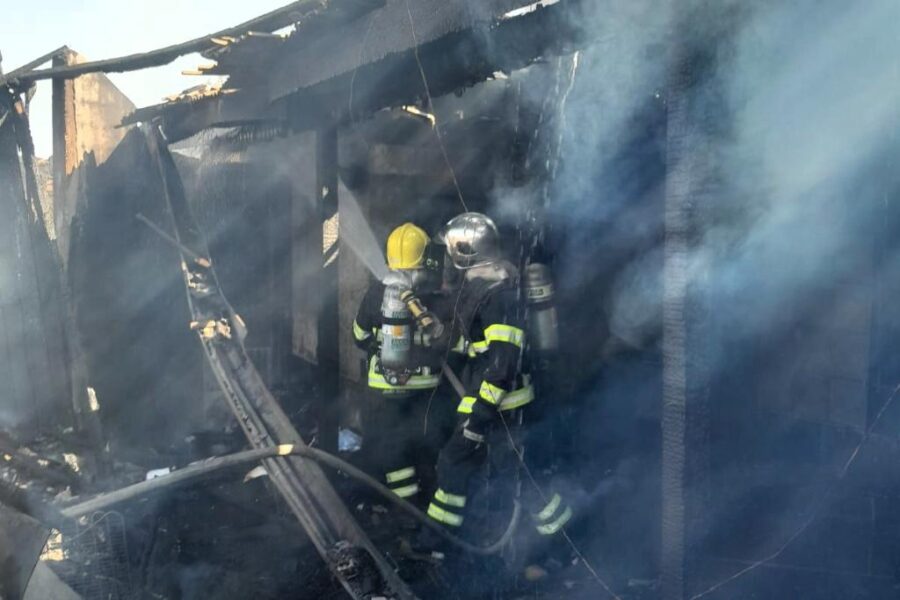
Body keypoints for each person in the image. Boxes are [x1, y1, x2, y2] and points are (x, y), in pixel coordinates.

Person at [425, 212, 574, 546]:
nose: (447, 260)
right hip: (492, 404)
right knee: (496, 471)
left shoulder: (497, 298)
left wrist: (479, 417)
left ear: (465, 254)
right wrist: (440, 339)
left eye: (451, 252)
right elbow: (477, 344)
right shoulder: (482, 288)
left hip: (503, 408)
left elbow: (503, 364)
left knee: (487, 468)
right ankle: (439, 542)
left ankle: (563, 541)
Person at [352, 223, 455, 503]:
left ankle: (405, 510)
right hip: (426, 392)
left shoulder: (376, 294)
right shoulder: (434, 297)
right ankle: (426, 507)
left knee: (393, 453)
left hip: (383, 391)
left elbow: (358, 336)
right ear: (424, 261)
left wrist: (376, 342)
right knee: (425, 448)